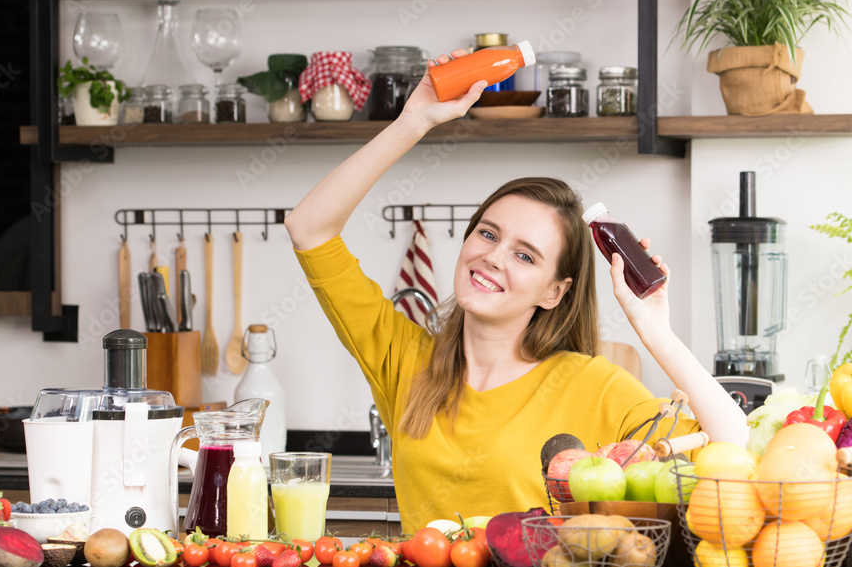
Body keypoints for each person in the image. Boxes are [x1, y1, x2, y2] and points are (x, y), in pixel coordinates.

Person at [284, 49, 749, 535]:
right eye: (488, 234)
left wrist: (656, 331)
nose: (493, 257)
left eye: (525, 255)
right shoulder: (404, 363)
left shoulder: (592, 385)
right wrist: (414, 121)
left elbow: (733, 445)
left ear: (555, 292)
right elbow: (309, 228)